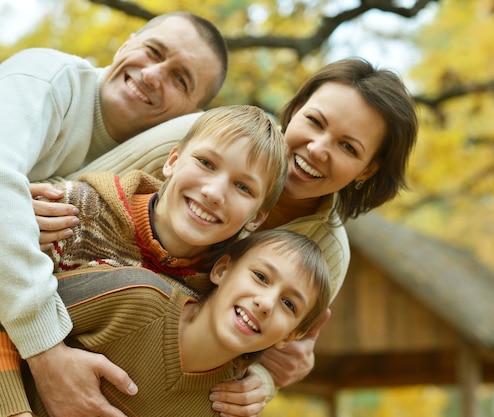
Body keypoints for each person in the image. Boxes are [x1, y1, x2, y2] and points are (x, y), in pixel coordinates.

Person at [34, 57, 419, 417]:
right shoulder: (209, 138)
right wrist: (47, 353)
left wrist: (265, 381)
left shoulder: (327, 252)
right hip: (49, 312)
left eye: (348, 147)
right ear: (297, 107)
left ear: (368, 169)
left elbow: (270, 346)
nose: (318, 149)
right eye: (315, 122)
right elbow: (73, 195)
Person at [0, 11, 228, 417]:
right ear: (127, 43)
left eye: (179, 79)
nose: (153, 74)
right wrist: (47, 352)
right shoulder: (46, 78)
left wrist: (261, 372)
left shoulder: (170, 184)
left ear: (190, 113)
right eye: (152, 51)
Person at [0, 104, 287, 417]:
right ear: (172, 160)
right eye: (206, 163)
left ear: (256, 218)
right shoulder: (74, 216)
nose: (214, 192)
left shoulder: (220, 295)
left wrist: (257, 376)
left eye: (243, 187)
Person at [0, 229, 331, 417]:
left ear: (291, 336)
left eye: (288, 304)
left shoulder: (223, 408)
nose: (265, 303)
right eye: (260, 277)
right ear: (222, 269)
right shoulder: (135, 294)